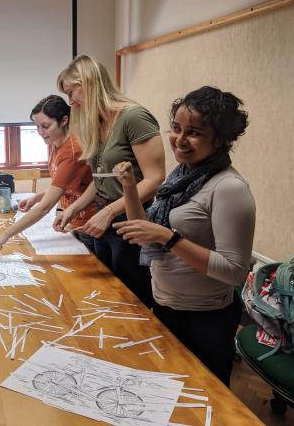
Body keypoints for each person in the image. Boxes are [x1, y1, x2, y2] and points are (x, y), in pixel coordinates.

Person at [113, 86, 254, 386]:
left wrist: (169, 238)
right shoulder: (181, 178)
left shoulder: (228, 188)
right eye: (176, 128)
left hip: (205, 318)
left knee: (206, 397)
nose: (180, 139)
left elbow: (233, 271)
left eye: (194, 132)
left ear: (219, 139)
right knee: (169, 392)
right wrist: (128, 187)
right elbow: (144, 236)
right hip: (165, 305)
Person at [53, 55, 165, 307]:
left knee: (132, 297)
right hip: (104, 213)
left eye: (72, 92)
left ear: (89, 82)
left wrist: (111, 211)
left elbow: (155, 179)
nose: (71, 102)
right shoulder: (98, 123)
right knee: (108, 291)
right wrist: (74, 208)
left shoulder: (133, 117)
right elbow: (101, 179)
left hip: (130, 219)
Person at [0, 95, 97, 254]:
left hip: (90, 223)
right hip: (74, 221)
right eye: (37, 127)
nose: (40, 132)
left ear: (64, 121)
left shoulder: (72, 152)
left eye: (45, 126)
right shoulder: (54, 142)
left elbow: (44, 209)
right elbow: (64, 185)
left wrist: (4, 236)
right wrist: (36, 197)